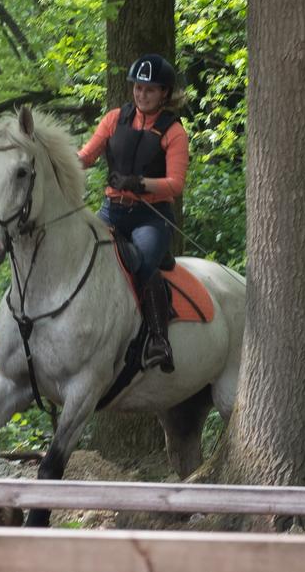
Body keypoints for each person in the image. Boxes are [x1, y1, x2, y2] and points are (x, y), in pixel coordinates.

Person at [77, 54, 189, 373]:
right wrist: (50, 156)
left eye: (150, 90)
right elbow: (85, 157)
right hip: (112, 211)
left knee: (140, 261)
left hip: (151, 217)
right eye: (138, 88)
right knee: (81, 254)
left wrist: (139, 183)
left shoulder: (173, 132)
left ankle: (158, 339)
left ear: (164, 93)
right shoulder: (115, 118)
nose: (141, 94)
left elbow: (175, 184)